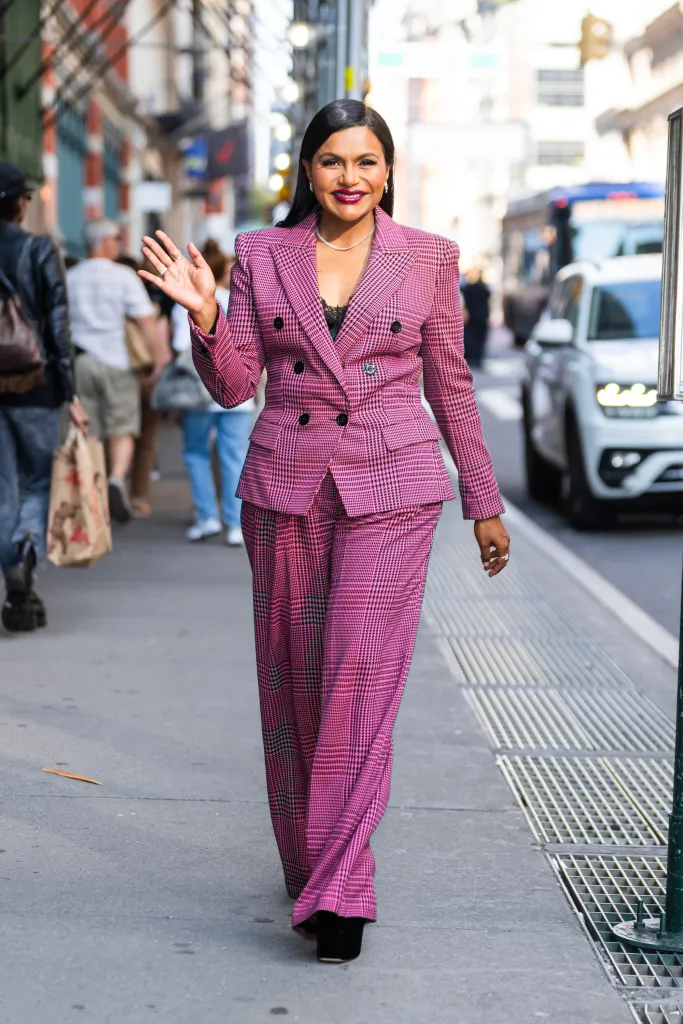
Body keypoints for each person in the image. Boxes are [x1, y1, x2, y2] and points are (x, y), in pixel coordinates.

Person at [138, 99, 509, 964]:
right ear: (306, 170)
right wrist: (204, 316)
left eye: (367, 163)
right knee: (294, 686)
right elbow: (235, 385)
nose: (351, 178)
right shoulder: (262, 256)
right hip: (286, 486)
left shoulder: (427, 258)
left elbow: (450, 384)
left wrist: (481, 500)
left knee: (355, 679)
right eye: (334, 161)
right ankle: (308, 859)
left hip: (394, 484)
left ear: (387, 172)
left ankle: (342, 889)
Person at [0, 161, 89, 632]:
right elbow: (57, 326)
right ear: (19, 203)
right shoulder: (39, 249)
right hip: (34, 385)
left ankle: (12, 566)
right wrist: (69, 392)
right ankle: (21, 558)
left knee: (1, 487)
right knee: (36, 481)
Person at [66, 220, 162, 523]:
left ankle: (93, 491)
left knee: (89, 430)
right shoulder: (122, 277)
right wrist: (156, 359)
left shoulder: (70, 277)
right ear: (107, 242)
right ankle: (116, 478)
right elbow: (146, 320)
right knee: (123, 427)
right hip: (117, 362)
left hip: (80, 361)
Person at [171, 239, 254, 545]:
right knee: (234, 455)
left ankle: (207, 517)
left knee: (196, 452)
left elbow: (181, 346)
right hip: (239, 398)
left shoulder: (184, 296)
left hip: (197, 392)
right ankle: (235, 523)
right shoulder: (239, 298)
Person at [117, 254, 172, 518]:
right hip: (148, 375)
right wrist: (159, 370)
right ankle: (139, 496)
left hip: (120, 376)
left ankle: (112, 486)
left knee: (115, 434)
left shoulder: (113, 310)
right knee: (146, 439)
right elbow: (160, 343)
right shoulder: (153, 309)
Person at [461, 265, 491, 370]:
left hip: (473, 317)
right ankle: (477, 359)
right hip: (480, 317)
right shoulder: (484, 288)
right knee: (478, 339)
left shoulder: (468, 288)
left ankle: (473, 358)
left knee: (471, 338)